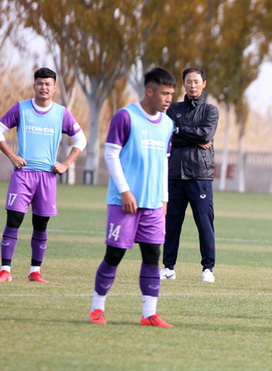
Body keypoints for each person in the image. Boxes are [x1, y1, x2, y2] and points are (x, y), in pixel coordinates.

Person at [89, 67, 175, 327]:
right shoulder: (125, 116)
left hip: (152, 205)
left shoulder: (168, 124)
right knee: (114, 256)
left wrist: (164, 198)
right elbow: (111, 154)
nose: (169, 98)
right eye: (164, 93)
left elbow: (163, 164)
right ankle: (97, 309)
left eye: (171, 94)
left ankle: (149, 314)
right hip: (124, 203)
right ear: (149, 91)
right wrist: (125, 190)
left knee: (152, 256)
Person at [0, 67, 87, 283]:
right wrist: (12, 156)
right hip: (23, 174)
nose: (44, 87)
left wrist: (66, 164)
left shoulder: (62, 113)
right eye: (40, 83)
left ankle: (35, 271)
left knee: (41, 224)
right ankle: (5, 270)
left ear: (54, 88)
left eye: (48, 84)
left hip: (47, 177)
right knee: (15, 219)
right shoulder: (21, 108)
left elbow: (81, 140)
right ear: (34, 86)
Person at [159, 67, 219, 283]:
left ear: (204, 83)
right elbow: (168, 134)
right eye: (188, 82)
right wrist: (190, 136)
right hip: (174, 175)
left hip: (200, 176)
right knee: (172, 223)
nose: (192, 85)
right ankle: (168, 267)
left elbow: (207, 133)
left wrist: (180, 131)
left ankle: (208, 268)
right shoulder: (173, 109)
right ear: (183, 84)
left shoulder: (211, 111)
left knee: (204, 223)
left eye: (196, 81)